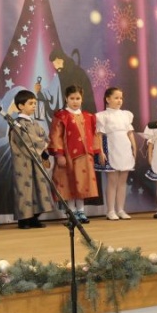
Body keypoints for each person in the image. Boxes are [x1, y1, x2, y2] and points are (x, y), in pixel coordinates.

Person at [48, 85, 101, 223]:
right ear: (66, 99)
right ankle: (71, 212)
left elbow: (94, 135)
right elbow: (55, 136)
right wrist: (59, 155)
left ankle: (81, 211)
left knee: (82, 183)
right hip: (69, 156)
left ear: (82, 99)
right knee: (69, 183)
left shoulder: (89, 116)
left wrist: (96, 151)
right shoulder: (61, 116)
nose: (75, 101)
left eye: (78, 98)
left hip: (85, 156)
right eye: (72, 98)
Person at [9, 90, 54, 229]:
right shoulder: (17, 124)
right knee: (24, 187)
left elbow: (44, 136)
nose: (34, 105)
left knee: (37, 187)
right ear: (21, 106)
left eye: (35, 103)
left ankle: (35, 216)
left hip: (37, 160)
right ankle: (24, 219)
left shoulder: (34, 123)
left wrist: (44, 149)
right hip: (23, 161)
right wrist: (42, 144)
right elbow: (25, 140)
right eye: (30, 103)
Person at [95, 87, 136, 220]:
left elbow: (130, 133)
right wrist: (101, 151)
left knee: (122, 181)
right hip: (111, 149)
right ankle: (110, 210)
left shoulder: (126, 115)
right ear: (108, 99)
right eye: (116, 98)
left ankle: (121, 209)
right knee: (112, 181)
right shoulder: (102, 116)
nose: (119, 100)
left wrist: (134, 148)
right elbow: (99, 135)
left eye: (121, 98)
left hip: (124, 149)